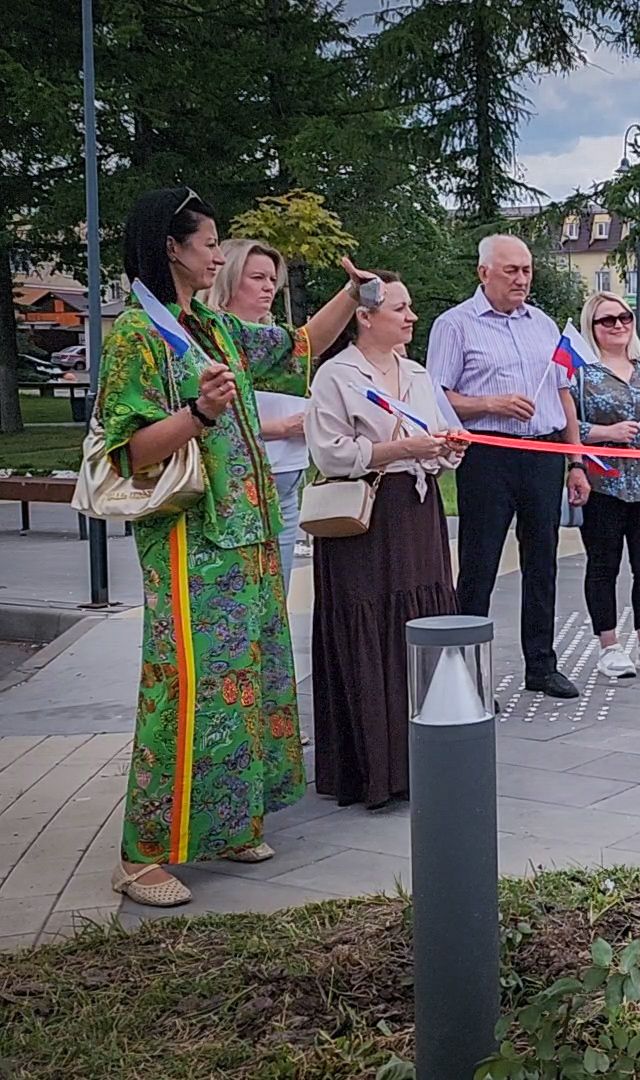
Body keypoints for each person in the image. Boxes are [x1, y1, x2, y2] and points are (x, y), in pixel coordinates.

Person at [99, 187, 368, 907]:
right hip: (191, 543)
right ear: (172, 248)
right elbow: (128, 451)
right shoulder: (137, 336)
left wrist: (353, 292)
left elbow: (301, 342)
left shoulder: (212, 327)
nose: (219, 253)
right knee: (184, 688)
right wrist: (198, 412)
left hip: (247, 540)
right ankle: (141, 856)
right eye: (209, 241)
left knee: (248, 683)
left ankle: (226, 824)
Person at [305, 271, 462, 809]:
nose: (411, 317)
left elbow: (438, 441)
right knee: (368, 622)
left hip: (418, 513)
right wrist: (399, 451)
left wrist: (448, 450)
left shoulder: (418, 373)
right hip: (364, 521)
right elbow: (328, 453)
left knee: (421, 624)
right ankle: (371, 766)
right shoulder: (336, 376)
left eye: (411, 306)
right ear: (365, 316)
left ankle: (422, 755)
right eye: (400, 308)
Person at [427, 235, 591, 700]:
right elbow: (436, 398)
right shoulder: (455, 325)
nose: (521, 279)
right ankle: (466, 674)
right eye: (510, 271)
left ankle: (541, 665)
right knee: (480, 563)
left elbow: (563, 395)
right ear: (484, 273)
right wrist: (488, 403)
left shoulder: (542, 325)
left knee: (544, 561)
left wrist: (575, 459)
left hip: (543, 453)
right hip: (488, 453)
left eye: (526, 270)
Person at [575, 291, 640, 679]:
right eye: (607, 320)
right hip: (604, 483)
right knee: (603, 565)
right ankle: (609, 646)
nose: (618, 325)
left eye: (624, 317)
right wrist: (606, 432)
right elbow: (565, 427)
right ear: (592, 327)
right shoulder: (581, 372)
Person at [205, 239, 307, 593]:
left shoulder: (276, 338)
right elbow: (212, 418)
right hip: (242, 486)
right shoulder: (211, 338)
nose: (268, 287)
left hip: (288, 478)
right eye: (257, 277)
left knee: (278, 598)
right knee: (245, 593)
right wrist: (281, 428)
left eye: (272, 280)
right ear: (229, 280)